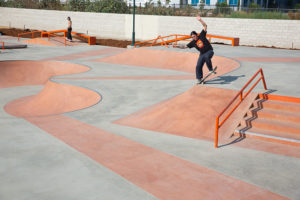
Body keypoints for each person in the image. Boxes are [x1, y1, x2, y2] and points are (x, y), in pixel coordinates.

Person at [173, 15, 214, 84]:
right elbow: (185, 46)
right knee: (198, 66)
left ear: (197, 35)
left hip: (209, 51)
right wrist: (176, 46)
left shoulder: (201, 35)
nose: (193, 38)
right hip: (202, 54)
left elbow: (205, 26)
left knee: (207, 57)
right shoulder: (193, 42)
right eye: (192, 37)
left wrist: (200, 20)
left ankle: (210, 69)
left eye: (194, 36)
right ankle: (199, 78)